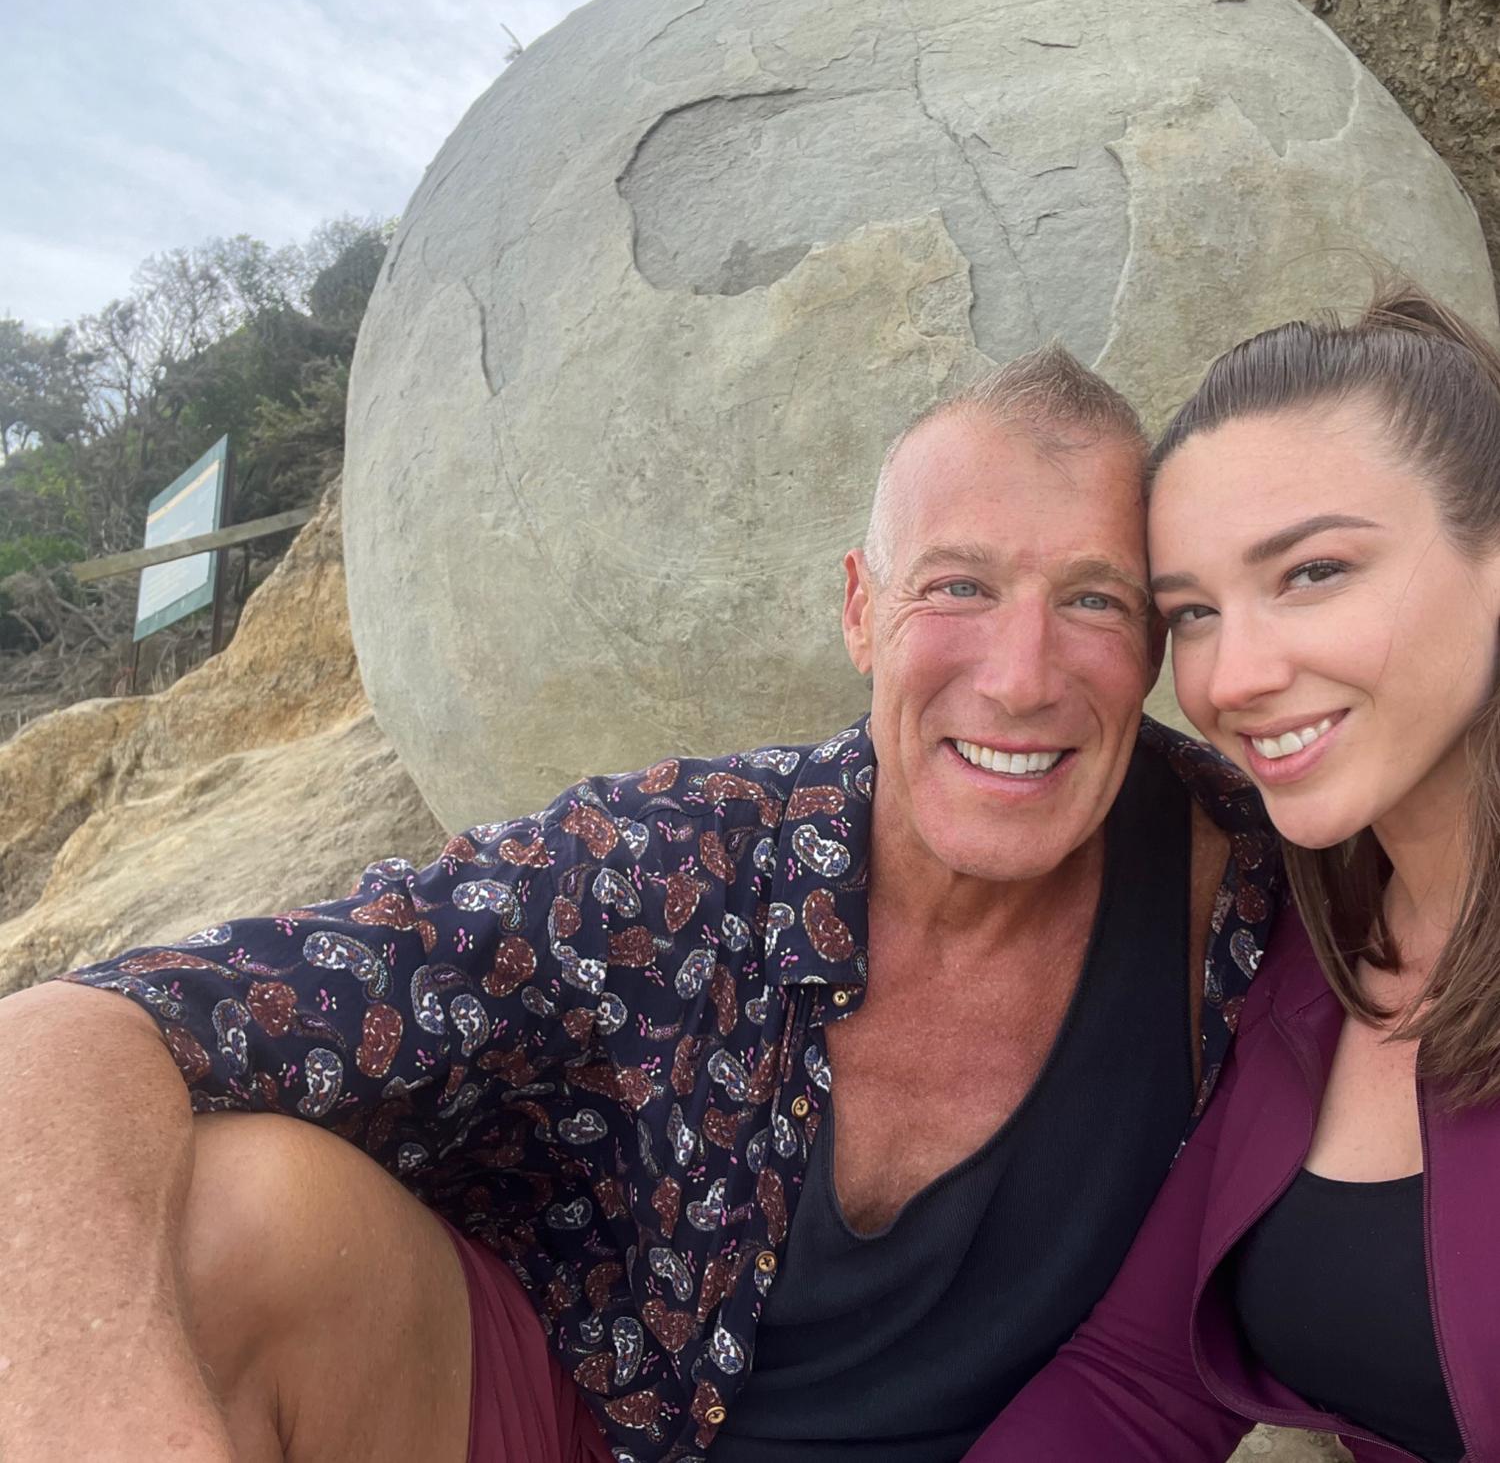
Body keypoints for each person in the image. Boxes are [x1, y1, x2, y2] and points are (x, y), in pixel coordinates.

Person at [0, 347, 1280, 1463]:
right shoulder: (668, 870)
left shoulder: (1244, 896)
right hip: (585, 1430)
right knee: (236, 1218)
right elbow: (72, 1036)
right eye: (956, 586)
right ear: (859, 612)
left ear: (1158, 648)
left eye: (1094, 600)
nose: (1020, 675)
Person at [966, 287, 1500, 1463]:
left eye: (1313, 572)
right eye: (1193, 614)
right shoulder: (1312, 955)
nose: (1234, 678)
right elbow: (1136, 1380)